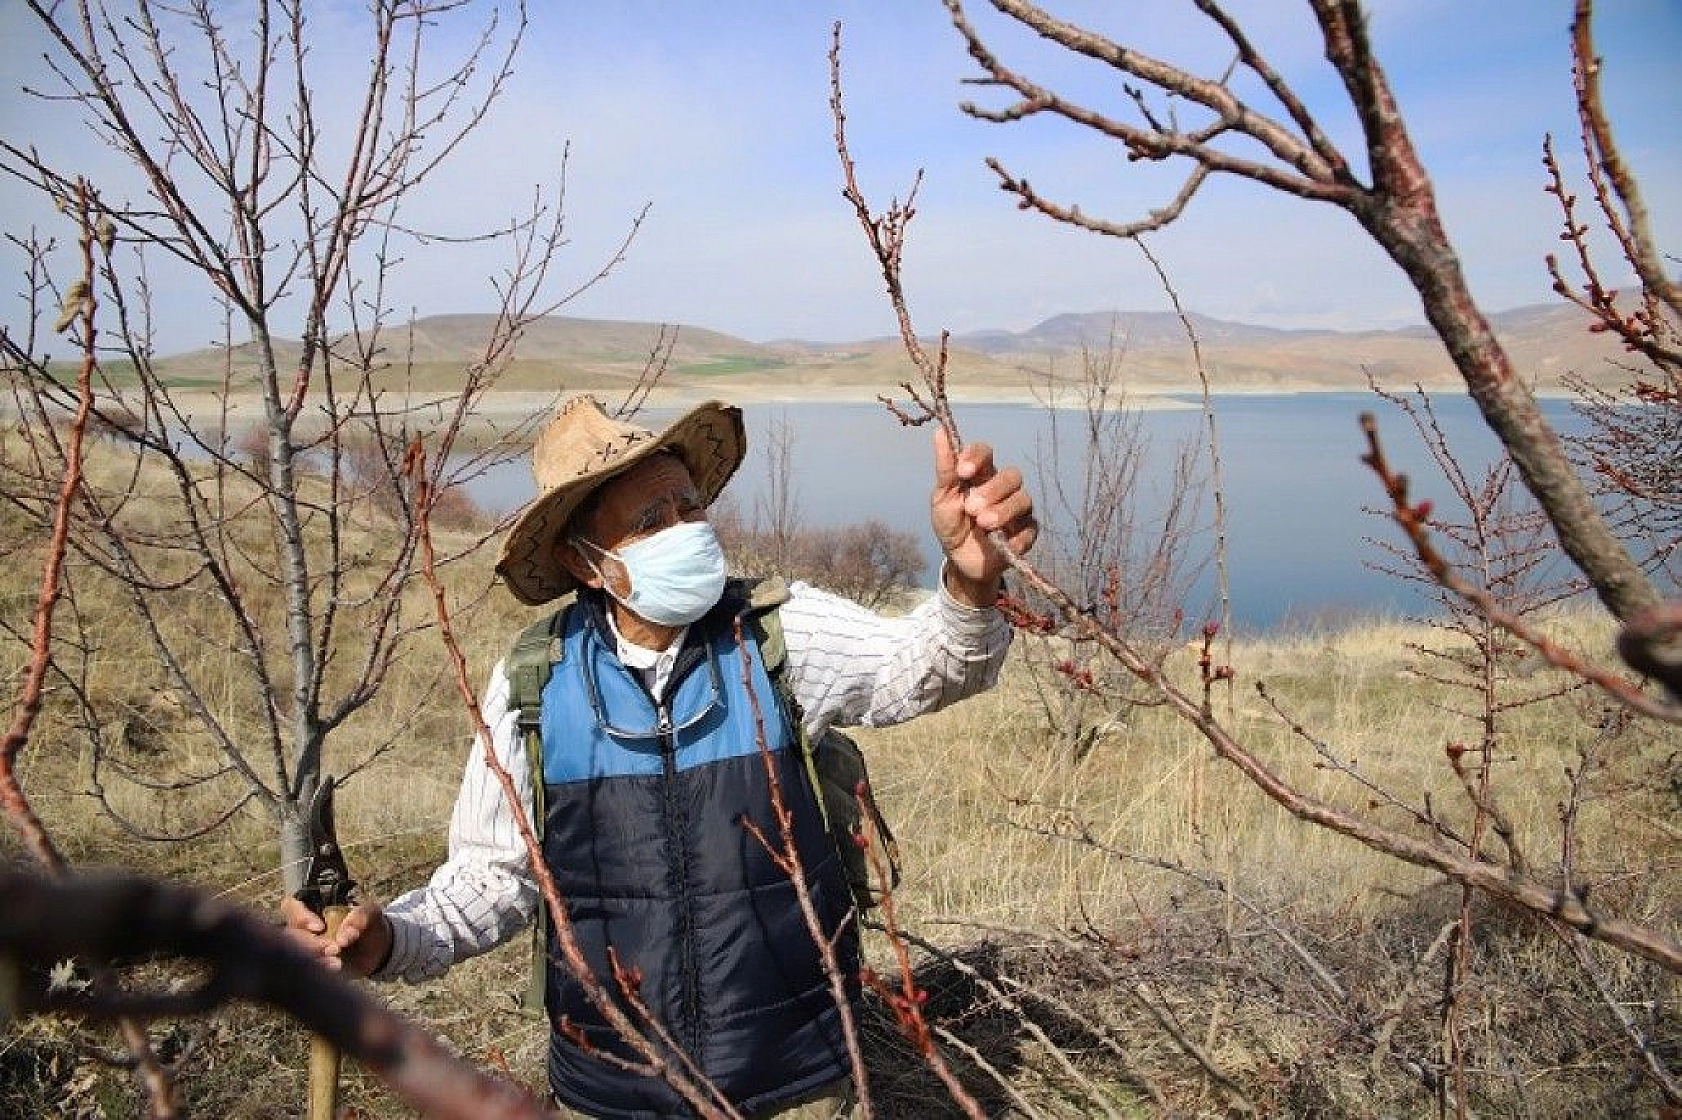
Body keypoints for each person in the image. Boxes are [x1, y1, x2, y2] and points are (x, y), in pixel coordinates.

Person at [282, 394, 1037, 1118]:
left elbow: (923, 668)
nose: (686, 529)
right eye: (650, 520)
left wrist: (971, 585)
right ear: (586, 563)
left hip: (796, 1080)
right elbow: (494, 879)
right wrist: (388, 940)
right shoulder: (535, 682)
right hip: (610, 1093)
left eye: (689, 507)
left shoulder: (772, 636)